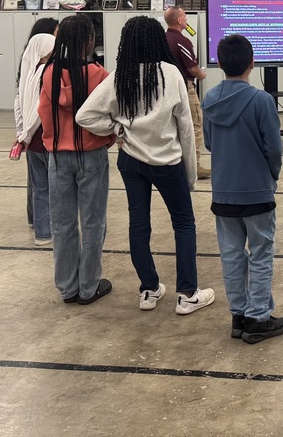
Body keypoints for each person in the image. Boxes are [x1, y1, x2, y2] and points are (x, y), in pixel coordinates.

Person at [77, 17, 216, 316]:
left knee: (138, 224)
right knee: (184, 224)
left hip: (131, 162)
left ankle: (149, 290)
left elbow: (85, 116)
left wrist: (116, 129)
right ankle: (188, 294)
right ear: (158, 40)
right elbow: (186, 130)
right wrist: (190, 173)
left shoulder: (119, 76)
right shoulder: (170, 74)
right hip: (167, 161)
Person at [203, 34, 283, 343]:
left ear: (220, 64)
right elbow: (273, 149)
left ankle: (238, 315)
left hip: (223, 192)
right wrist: (271, 176)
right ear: (253, 64)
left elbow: (210, 143)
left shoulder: (210, 99)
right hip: (257, 193)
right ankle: (258, 318)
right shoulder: (262, 100)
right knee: (261, 253)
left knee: (231, 254)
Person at [39, 14, 115, 305]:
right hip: (91, 155)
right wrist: (106, 140)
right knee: (94, 222)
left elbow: (44, 112)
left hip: (58, 156)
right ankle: (89, 286)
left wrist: (54, 143)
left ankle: (67, 287)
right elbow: (109, 116)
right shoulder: (99, 74)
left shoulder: (49, 73)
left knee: (62, 224)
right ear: (88, 40)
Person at [14, 17, 58, 231]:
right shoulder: (46, 74)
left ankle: (41, 231)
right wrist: (28, 132)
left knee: (39, 187)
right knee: (53, 187)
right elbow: (42, 108)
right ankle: (51, 227)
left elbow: (19, 103)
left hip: (31, 141)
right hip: (44, 137)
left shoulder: (28, 72)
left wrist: (22, 134)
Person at [164, 6, 210, 180]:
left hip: (165, 90)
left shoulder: (161, 39)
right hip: (184, 87)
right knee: (194, 125)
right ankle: (194, 167)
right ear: (179, 21)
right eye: (185, 17)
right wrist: (201, 75)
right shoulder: (182, 41)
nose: (187, 20)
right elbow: (192, 67)